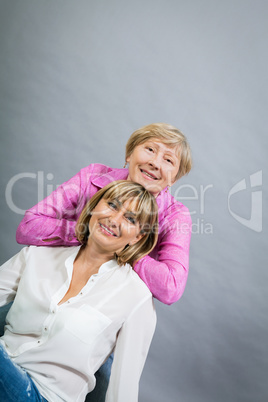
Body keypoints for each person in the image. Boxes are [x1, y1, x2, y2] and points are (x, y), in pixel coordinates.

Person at [3, 122, 192, 401]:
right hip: (55, 289)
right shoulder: (93, 176)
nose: (155, 162)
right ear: (129, 154)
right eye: (149, 149)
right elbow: (30, 226)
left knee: (91, 365)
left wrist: (121, 247)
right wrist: (87, 233)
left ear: (173, 177)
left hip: (100, 312)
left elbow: (171, 286)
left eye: (168, 160)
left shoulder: (175, 215)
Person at [0, 181, 158, 402]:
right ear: (94, 206)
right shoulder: (37, 255)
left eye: (130, 219)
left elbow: (124, 388)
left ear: (138, 237)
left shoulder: (136, 297)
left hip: (44, 395)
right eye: (112, 205)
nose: (114, 219)